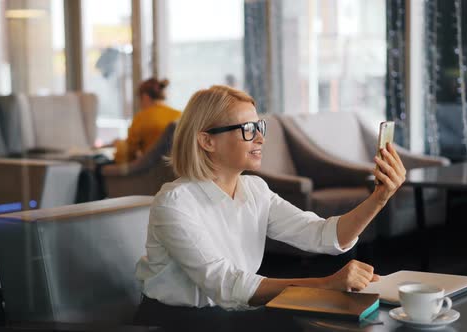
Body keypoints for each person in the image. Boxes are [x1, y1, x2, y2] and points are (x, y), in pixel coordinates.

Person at [134, 85, 406, 327]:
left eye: (259, 127)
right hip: (175, 321)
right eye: (247, 130)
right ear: (207, 141)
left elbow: (322, 234)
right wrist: (326, 285)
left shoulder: (255, 190)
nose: (261, 139)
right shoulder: (175, 202)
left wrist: (379, 197)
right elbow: (226, 284)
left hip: (229, 312)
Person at [114, 78, 181, 164]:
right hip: (177, 169)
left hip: (152, 172)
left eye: (139, 99)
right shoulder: (179, 115)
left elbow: (128, 153)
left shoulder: (142, 117)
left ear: (145, 97)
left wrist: (119, 145)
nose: (140, 104)